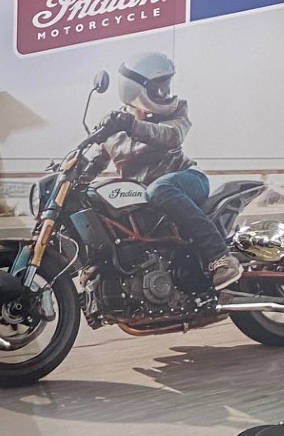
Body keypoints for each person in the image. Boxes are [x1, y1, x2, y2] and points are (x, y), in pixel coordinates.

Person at [100, 52, 240, 291]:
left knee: (160, 188)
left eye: (166, 85)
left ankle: (221, 257)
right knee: (95, 199)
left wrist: (133, 125)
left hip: (186, 180)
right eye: (158, 87)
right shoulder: (114, 127)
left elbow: (171, 135)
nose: (164, 92)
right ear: (135, 88)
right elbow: (93, 161)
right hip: (146, 196)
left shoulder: (176, 111)